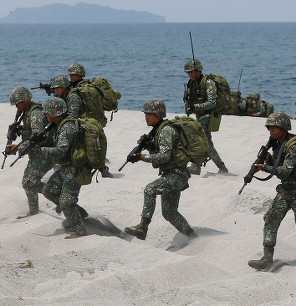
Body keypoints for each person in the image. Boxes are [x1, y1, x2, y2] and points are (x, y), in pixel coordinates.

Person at [248, 111, 296, 270]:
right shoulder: (278, 144)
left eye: (275, 127)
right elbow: (279, 164)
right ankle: (267, 258)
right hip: (285, 190)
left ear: (284, 127)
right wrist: (269, 160)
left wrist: (264, 167)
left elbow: (285, 171)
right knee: (270, 219)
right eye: (270, 127)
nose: (271, 130)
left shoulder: (294, 147)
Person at [124, 99, 197, 240]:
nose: (146, 117)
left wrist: (141, 156)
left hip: (176, 174)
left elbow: (163, 157)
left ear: (157, 114)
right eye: (145, 114)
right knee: (169, 213)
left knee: (149, 189)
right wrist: (150, 146)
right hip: (174, 174)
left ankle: (142, 227)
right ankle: (192, 237)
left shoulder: (165, 130)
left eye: (149, 114)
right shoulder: (159, 130)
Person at [41, 97, 89, 239]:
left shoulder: (67, 127)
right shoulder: (59, 124)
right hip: (65, 167)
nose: (46, 115)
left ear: (54, 113)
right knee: (48, 191)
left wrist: (41, 150)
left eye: (47, 113)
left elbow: (61, 151)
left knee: (66, 202)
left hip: (74, 169)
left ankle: (80, 231)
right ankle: (79, 213)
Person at [7, 87, 54, 218]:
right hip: (38, 152)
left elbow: (37, 136)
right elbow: (31, 132)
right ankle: (55, 195)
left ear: (26, 100)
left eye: (18, 102)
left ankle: (56, 195)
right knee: (30, 182)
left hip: (44, 152)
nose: (16, 105)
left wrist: (19, 147)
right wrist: (21, 131)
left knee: (28, 182)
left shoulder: (35, 113)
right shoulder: (27, 111)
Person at [67, 63, 114, 178]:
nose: (71, 77)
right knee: (96, 144)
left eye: (74, 75)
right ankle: (102, 168)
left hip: (84, 121)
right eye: (71, 75)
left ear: (80, 75)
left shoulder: (77, 90)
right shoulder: (92, 86)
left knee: (84, 144)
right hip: (97, 121)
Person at [183, 58, 228, 175]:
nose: (190, 74)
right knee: (206, 143)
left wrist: (195, 107)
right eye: (188, 72)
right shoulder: (192, 83)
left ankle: (197, 166)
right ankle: (221, 167)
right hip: (199, 116)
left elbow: (211, 103)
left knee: (200, 140)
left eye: (191, 72)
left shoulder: (208, 83)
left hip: (208, 116)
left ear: (198, 70)